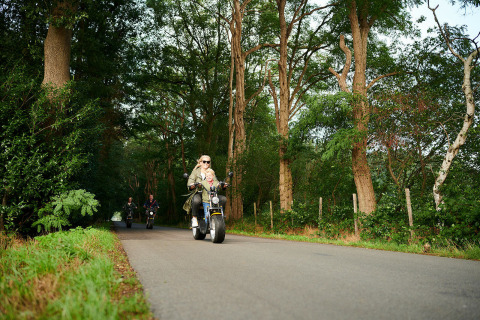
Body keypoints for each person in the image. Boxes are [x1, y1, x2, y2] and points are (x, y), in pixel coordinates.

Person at [186, 155, 226, 227]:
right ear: (200, 162)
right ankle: (194, 218)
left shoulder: (211, 172)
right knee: (196, 200)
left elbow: (216, 182)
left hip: (211, 194)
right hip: (199, 193)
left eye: (208, 162)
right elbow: (189, 183)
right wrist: (193, 185)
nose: (206, 163)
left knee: (223, 199)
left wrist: (222, 185)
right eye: (204, 161)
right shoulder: (195, 172)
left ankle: (220, 216)